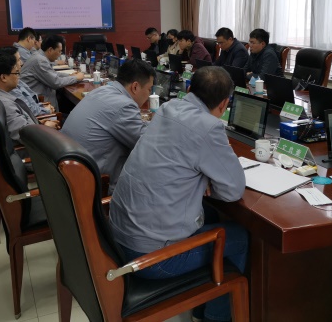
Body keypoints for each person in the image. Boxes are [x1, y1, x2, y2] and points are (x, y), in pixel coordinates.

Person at [110, 66, 248, 322]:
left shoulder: (167, 108)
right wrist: (207, 178)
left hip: (117, 239)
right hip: (152, 258)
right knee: (238, 237)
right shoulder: (208, 127)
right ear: (224, 104)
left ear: (189, 89)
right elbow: (233, 191)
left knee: (209, 214)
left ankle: (203, 308)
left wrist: (201, 178)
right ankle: (214, 318)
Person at [61, 59, 154, 192]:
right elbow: (146, 144)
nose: (149, 95)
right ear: (135, 87)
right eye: (149, 89)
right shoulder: (124, 106)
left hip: (68, 174)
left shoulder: (102, 90)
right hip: (93, 185)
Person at [0, 53, 58, 143]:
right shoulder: (5, 104)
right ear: (3, 77)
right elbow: (27, 136)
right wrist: (46, 127)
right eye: (16, 73)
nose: (18, 77)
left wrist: (39, 123)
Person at [20, 34, 84, 111]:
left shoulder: (39, 56)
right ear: (50, 50)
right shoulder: (40, 60)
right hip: (41, 106)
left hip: (41, 101)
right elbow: (56, 82)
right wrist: (76, 78)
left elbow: (52, 73)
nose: (60, 54)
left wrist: (69, 75)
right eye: (59, 51)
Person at [0, 46, 55, 116]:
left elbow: (31, 104)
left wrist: (42, 107)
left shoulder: (15, 79)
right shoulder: (10, 86)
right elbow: (30, 111)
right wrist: (47, 110)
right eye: (18, 60)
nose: (21, 63)